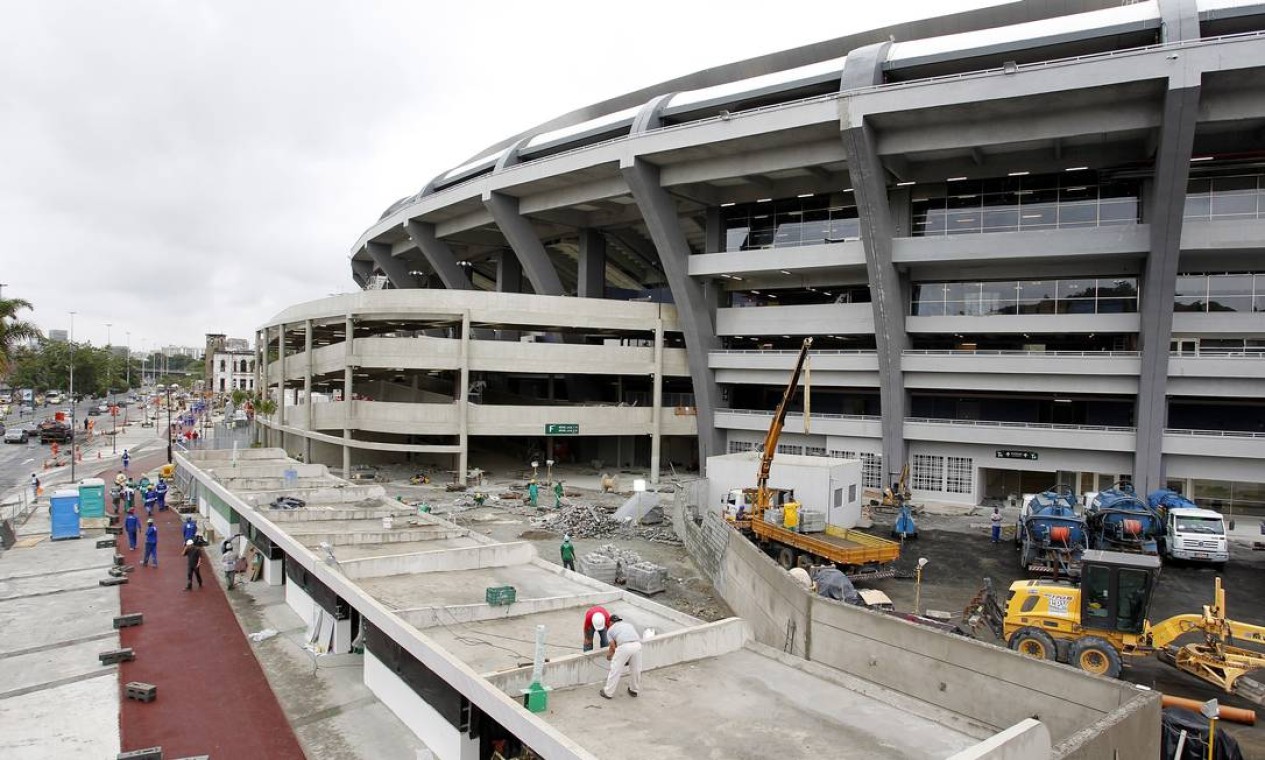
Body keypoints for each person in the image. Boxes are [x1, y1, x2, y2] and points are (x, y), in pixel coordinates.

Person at [599, 614, 642, 699]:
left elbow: (612, 646)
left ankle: (608, 692)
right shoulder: (629, 625)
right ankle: (634, 690)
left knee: (615, 669)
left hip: (624, 646)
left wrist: (610, 656)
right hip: (637, 645)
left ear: (611, 622)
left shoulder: (610, 630)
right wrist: (626, 658)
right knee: (636, 669)